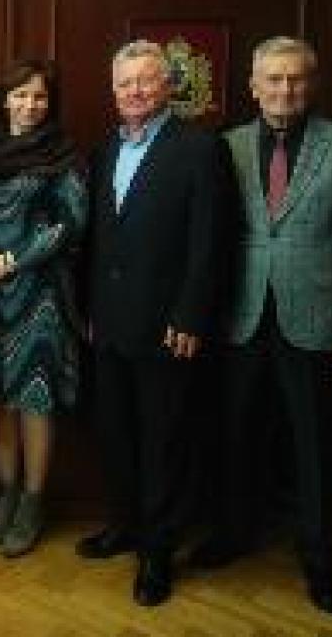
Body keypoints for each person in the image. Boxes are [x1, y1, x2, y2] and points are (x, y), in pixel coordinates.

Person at [188, 37, 332, 614]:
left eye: (296, 79)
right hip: (239, 317)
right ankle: (232, 533)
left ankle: (319, 558)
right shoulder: (227, 146)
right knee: (234, 434)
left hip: (316, 321)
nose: (285, 89)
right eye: (274, 79)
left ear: (312, 83)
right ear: (254, 86)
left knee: (315, 447)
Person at [78, 40, 226, 606]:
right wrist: (91, 311)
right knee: (116, 434)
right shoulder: (104, 150)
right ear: (113, 90)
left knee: (163, 440)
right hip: (110, 323)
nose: (134, 91)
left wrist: (190, 313)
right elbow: (101, 240)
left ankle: (158, 553)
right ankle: (125, 526)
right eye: (124, 83)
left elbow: (209, 241)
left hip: (168, 326)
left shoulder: (199, 148)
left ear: (167, 86)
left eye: (145, 80)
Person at [0, 60, 88, 558]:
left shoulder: (64, 156)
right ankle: (8, 494)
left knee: (35, 399)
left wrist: (11, 262)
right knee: (0, 400)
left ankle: (34, 503)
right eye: (20, 95)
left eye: (39, 96)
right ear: (4, 101)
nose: (29, 105)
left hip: (41, 295)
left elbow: (71, 223)